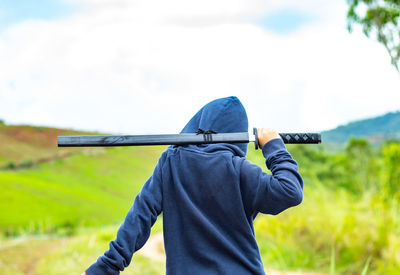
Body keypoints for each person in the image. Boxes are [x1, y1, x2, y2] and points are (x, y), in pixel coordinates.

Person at [84, 96, 303, 275]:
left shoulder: (171, 162)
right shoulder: (240, 170)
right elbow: (290, 190)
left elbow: (141, 215)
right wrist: (274, 146)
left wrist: (106, 267)